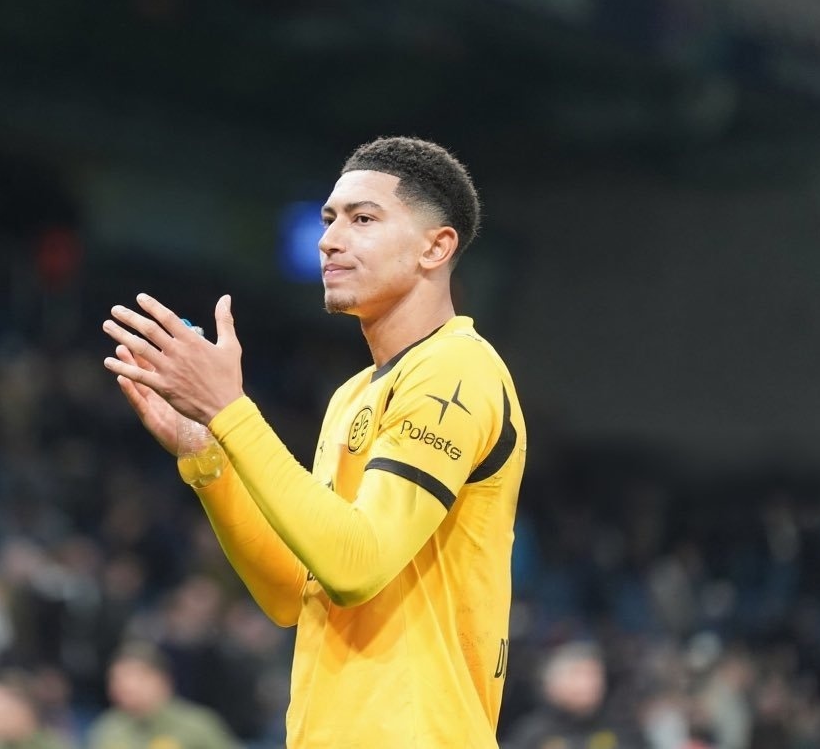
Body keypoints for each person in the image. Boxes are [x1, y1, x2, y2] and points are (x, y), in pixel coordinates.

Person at [102, 136, 527, 747]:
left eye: (362, 219)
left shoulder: (456, 369)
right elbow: (290, 592)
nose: (329, 239)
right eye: (329, 219)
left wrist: (231, 411)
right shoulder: (353, 395)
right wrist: (207, 456)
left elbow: (357, 565)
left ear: (435, 248)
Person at [83, 641, 240, 749]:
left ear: (163, 680)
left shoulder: (198, 725)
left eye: (136, 677)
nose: (124, 685)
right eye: (115, 679)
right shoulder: (107, 727)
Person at [501, 642, 644, 749]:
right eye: (577, 674)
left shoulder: (622, 728)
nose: (588, 683)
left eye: (594, 675)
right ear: (552, 682)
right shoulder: (532, 733)